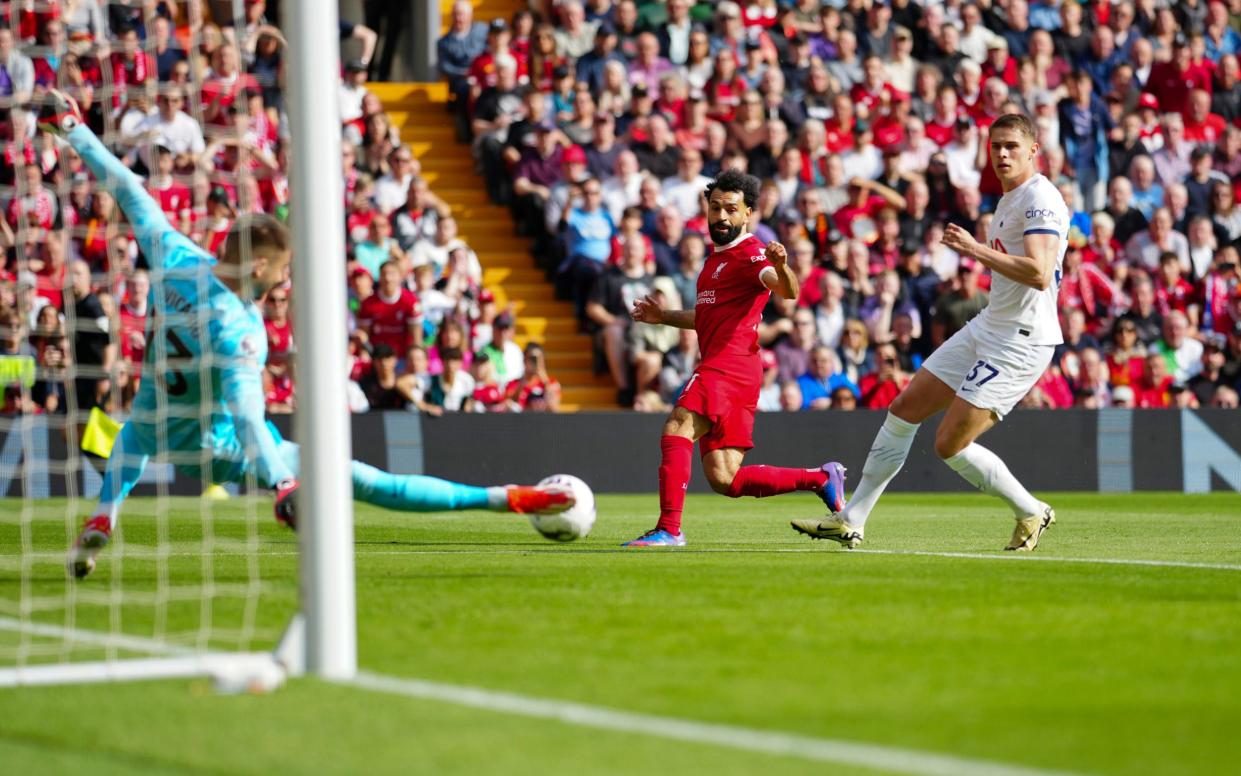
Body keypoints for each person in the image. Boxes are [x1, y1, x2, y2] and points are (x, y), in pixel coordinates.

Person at [38, 93, 574, 580]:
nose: (284, 278)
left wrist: (73, 129)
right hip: (219, 449)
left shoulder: (174, 256)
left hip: (153, 422)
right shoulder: (241, 329)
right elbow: (247, 416)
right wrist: (280, 483)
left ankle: (105, 513)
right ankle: (509, 499)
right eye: (282, 268)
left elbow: (130, 191)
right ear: (261, 264)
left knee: (132, 436)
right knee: (364, 481)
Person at [793, 114, 1065, 552]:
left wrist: (974, 250)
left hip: (1021, 339)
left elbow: (1037, 273)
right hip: (989, 326)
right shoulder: (1010, 198)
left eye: (1012, 145)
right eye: (996, 145)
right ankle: (852, 518)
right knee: (904, 408)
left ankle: (1031, 509)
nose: (1002, 154)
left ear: (1034, 150)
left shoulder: (1039, 200)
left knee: (949, 444)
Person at [623, 170, 846, 547]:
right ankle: (821, 479)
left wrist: (779, 264)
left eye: (731, 209)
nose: (722, 216)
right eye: (715, 208)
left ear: (747, 215)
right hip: (738, 371)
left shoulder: (751, 254)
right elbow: (705, 316)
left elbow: (788, 291)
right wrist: (663, 317)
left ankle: (669, 530)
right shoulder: (714, 262)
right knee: (725, 478)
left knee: (677, 425)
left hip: (728, 365)